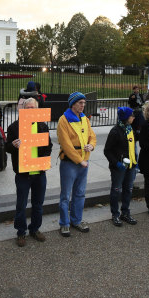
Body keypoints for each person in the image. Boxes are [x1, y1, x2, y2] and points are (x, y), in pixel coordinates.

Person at [5, 98, 52, 247]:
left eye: (33, 108)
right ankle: (21, 232)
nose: (31, 110)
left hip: (39, 172)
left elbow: (49, 145)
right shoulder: (14, 127)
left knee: (38, 204)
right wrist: (13, 145)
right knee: (21, 205)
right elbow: (6, 147)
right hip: (23, 174)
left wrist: (44, 159)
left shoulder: (42, 126)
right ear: (23, 110)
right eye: (28, 107)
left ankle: (35, 229)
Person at [57, 92, 96, 237]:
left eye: (84, 103)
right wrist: (80, 161)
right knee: (66, 195)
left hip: (84, 162)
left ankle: (76, 220)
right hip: (70, 163)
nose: (83, 105)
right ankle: (64, 223)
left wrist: (91, 146)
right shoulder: (63, 120)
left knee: (80, 193)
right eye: (80, 103)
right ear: (73, 104)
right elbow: (66, 145)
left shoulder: (84, 118)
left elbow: (92, 136)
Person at [104, 107, 138, 227]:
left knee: (128, 189)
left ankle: (125, 212)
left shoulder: (130, 129)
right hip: (119, 167)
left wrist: (135, 162)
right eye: (131, 115)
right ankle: (115, 214)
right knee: (116, 190)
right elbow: (107, 151)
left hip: (130, 166)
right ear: (125, 118)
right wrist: (116, 163)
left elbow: (133, 147)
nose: (133, 117)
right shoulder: (115, 131)